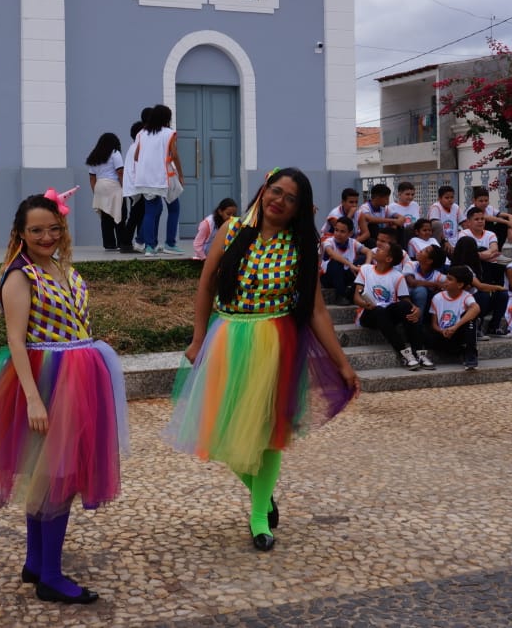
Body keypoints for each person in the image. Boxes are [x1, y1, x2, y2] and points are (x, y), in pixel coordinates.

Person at [0, 192, 129, 604]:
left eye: (53, 228)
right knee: (58, 477)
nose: (46, 237)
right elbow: (15, 340)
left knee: (49, 475)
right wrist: (33, 398)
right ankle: (50, 576)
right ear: (21, 233)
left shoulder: (61, 266)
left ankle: (36, 563)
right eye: (36, 230)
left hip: (79, 375)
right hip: (47, 380)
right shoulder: (20, 275)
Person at [165, 168, 359, 553]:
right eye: (276, 191)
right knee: (218, 430)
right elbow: (206, 285)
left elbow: (317, 309)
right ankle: (264, 495)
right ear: (263, 190)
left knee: (269, 435)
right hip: (227, 339)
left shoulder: (301, 244)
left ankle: (258, 517)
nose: (279, 201)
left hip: (275, 342)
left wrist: (342, 362)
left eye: (291, 198)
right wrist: (198, 338)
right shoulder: (232, 229)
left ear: (299, 208)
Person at [356, 241, 432, 369]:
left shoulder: (397, 276)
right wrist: (364, 303)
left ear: (388, 259)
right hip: (369, 314)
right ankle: (404, 353)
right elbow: (356, 297)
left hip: (388, 314)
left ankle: (419, 352)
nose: (377, 249)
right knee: (379, 310)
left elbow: (405, 300)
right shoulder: (365, 269)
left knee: (405, 307)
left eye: (382, 249)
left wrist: (415, 309)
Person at [134, 105, 184, 256]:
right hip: (163, 176)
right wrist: (181, 175)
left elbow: (136, 156)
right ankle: (170, 243)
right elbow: (174, 155)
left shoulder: (142, 133)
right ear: (167, 118)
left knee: (150, 212)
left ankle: (149, 247)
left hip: (145, 178)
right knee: (174, 208)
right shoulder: (169, 133)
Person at [451, 237, 508, 340]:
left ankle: (494, 326)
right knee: (483, 295)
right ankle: (476, 328)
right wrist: (499, 287)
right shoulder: (462, 267)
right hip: (464, 304)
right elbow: (480, 286)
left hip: (475, 299)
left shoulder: (476, 264)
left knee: (501, 295)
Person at [429, 266, 481, 371]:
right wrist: (442, 331)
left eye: (450, 279)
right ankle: (460, 351)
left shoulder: (466, 296)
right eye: (446, 278)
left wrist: (455, 327)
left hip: (458, 333)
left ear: (460, 284)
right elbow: (434, 324)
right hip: (443, 335)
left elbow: (476, 308)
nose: (445, 281)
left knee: (471, 318)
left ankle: (471, 354)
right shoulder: (437, 297)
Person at [86, 132, 127, 250]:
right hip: (113, 185)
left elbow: (92, 178)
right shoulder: (115, 153)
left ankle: (109, 244)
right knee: (120, 213)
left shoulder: (94, 156)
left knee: (105, 216)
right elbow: (120, 172)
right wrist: (124, 187)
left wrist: (95, 193)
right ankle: (122, 242)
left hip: (99, 186)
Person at [319, 216, 365, 304]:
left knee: (363, 259)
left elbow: (369, 252)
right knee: (336, 262)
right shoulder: (328, 241)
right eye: (336, 230)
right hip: (328, 277)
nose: (338, 234)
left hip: (345, 275)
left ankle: (353, 293)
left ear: (350, 233)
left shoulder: (352, 242)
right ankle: (340, 296)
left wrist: (365, 266)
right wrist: (350, 265)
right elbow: (331, 253)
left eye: (342, 231)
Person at [405, 243, 446, 322]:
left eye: (426, 251)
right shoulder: (411, 264)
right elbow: (411, 282)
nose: (421, 250)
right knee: (421, 290)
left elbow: (449, 282)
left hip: (424, 304)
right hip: (406, 299)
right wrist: (436, 284)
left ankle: (420, 321)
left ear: (429, 261)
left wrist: (441, 288)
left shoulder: (437, 276)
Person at [387, 181, 420, 245]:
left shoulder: (415, 205)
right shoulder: (392, 207)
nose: (410, 197)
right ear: (399, 194)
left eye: (412, 195)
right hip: (403, 234)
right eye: (407, 194)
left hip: (417, 232)